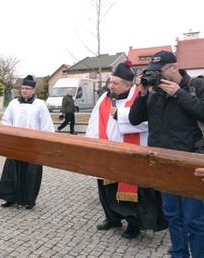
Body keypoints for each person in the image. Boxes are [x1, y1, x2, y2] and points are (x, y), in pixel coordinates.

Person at [129, 51, 204, 257]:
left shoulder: (196, 86)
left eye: (159, 72)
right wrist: (142, 93)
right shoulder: (154, 92)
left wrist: (179, 94)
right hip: (163, 162)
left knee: (194, 220)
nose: (156, 76)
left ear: (173, 67)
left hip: (191, 163)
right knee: (172, 215)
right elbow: (134, 119)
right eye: (152, 72)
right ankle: (178, 254)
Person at [86, 60, 168, 239]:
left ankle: (133, 224)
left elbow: (146, 122)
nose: (111, 86)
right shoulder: (104, 97)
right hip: (107, 151)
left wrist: (120, 115)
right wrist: (90, 145)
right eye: (110, 82)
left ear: (128, 85)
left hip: (131, 154)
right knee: (106, 188)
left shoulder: (141, 96)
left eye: (115, 83)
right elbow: (95, 121)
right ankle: (112, 218)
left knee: (133, 191)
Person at [0, 75, 54, 210]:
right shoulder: (13, 104)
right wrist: (11, 134)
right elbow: (6, 120)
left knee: (31, 172)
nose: (24, 91)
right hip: (15, 142)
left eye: (27, 88)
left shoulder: (40, 105)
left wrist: (44, 143)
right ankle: (10, 197)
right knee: (12, 170)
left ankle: (29, 200)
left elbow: (46, 125)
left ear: (33, 90)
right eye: (22, 88)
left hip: (33, 144)